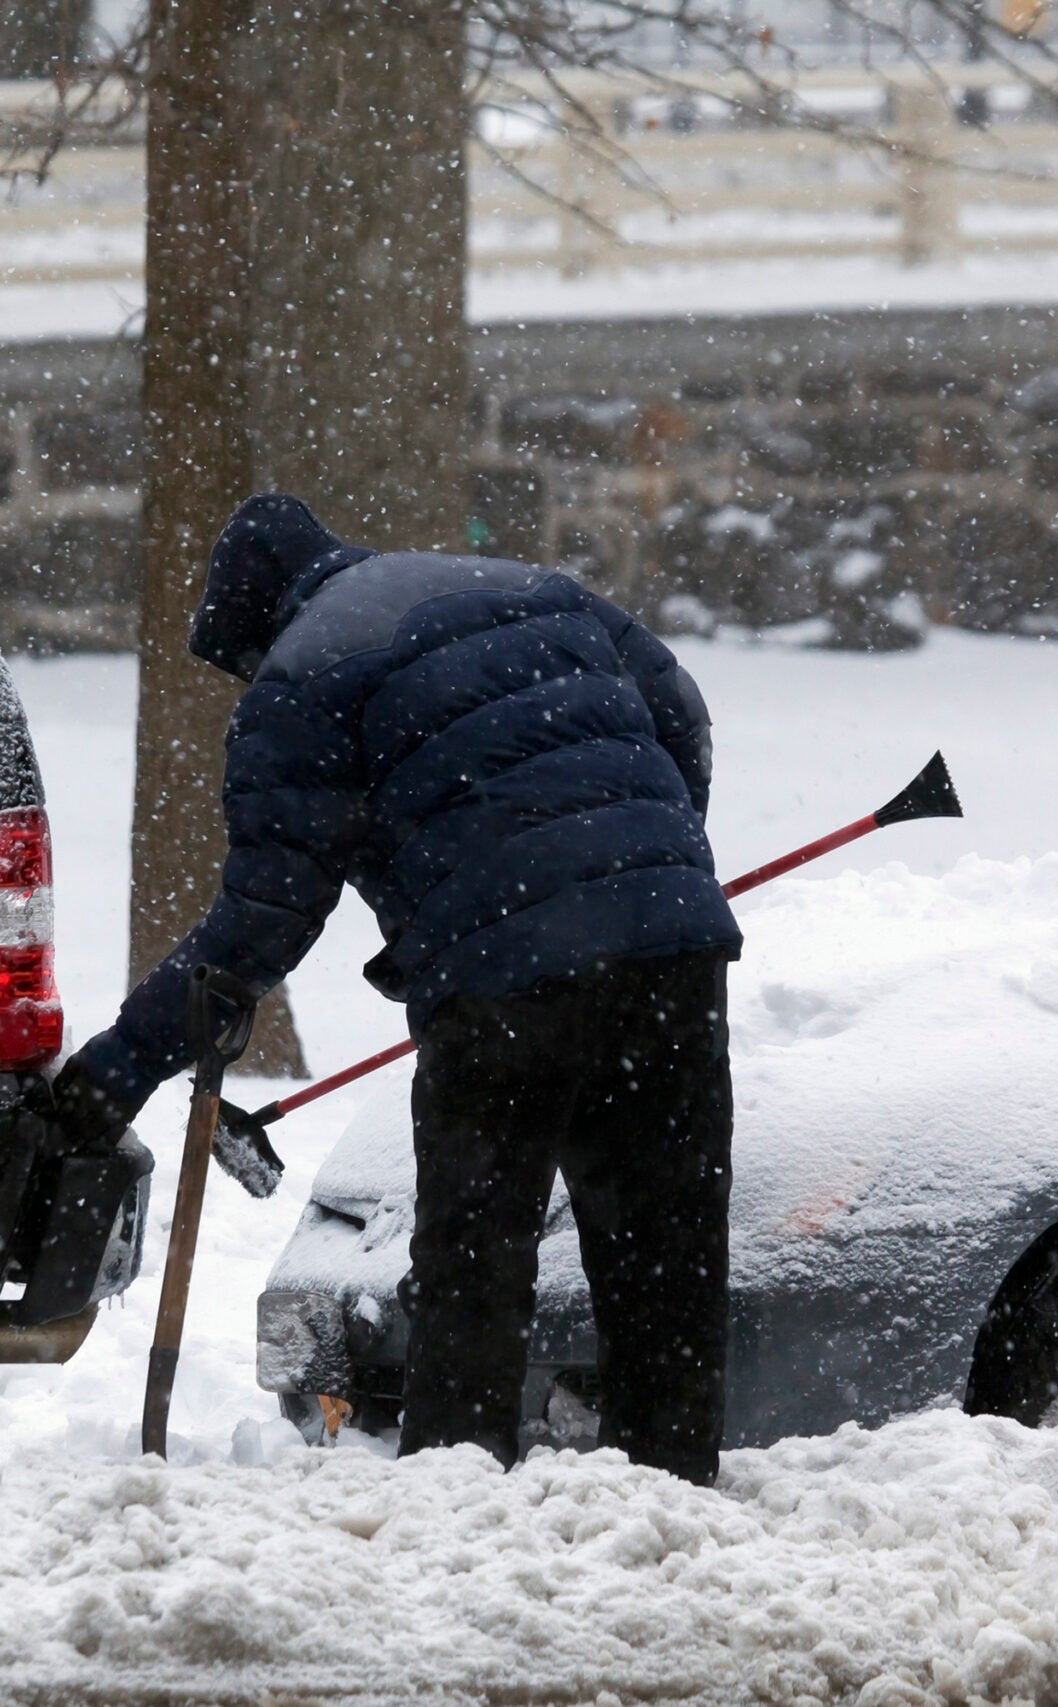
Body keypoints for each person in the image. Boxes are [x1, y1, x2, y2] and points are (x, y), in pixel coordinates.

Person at [51, 493, 740, 1482]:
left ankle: (455, 1501)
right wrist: (640, 865)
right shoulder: (531, 586)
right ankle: (671, 1493)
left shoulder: (300, 677)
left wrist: (116, 1072)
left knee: (476, 1260)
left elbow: (258, 924)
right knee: (666, 1250)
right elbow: (681, 716)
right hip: (672, 954)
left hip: (503, 985)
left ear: (260, 619)